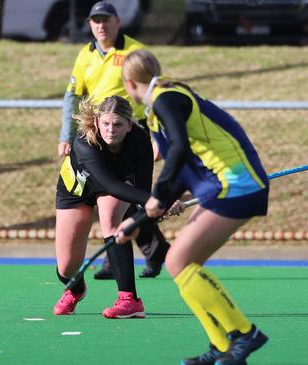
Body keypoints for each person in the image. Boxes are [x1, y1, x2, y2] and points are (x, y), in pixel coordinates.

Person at [117, 49, 270, 365]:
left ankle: (244, 333)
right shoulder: (160, 105)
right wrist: (145, 215)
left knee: (181, 260)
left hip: (237, 185)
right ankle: (222, 346)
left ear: (129, 83)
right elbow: (183, 161)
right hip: (222, 184)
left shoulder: (165, 99)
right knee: (177, 261)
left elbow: (180, 151)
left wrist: (158, 196)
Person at [59, 1, 169, 279]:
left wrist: (156, 136)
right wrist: (67, 135)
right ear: (89, 24)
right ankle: (147, 249)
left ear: (118, 22)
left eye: (106, 19)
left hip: (130, 134)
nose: (101, 25)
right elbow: (73, 96)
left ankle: (123, 256)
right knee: (122, 197)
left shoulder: (134, 52)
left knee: (122, 198)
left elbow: (153, 94)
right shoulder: (85, 54)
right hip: (98, 135)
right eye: (96, 20)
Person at [54, 95, 157, 319]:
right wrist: (155, 201)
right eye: (106, 123)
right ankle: (76, 289)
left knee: (111, 223)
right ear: (98, 121)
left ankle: (129, 300)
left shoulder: (140, 141)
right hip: (76, 191)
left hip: (113, 188)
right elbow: (111, 183)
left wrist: (156, 206)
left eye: (118, 124)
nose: (111, 130)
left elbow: (142, 190)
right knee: (66, 268)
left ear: (129, 125)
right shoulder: (84, 142)